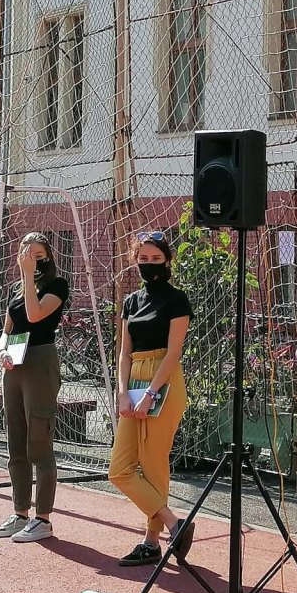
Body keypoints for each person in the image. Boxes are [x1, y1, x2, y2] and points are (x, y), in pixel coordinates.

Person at [107, 231, 195, 566]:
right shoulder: (131, 302)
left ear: (167, 260)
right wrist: (122, 393)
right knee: (119, 469)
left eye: (156, 258)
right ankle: (174, 523)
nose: (149, 264)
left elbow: (173, 353)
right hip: (133, 381)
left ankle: (151, 541)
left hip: (163, 380)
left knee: (154, 462)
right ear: (135, 261)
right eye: (143, 258)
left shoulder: (177, 300)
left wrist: (150, 393)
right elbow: (124, 353)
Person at [0, 232, 69, 543]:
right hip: (15, 365)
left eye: (37, 254)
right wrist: (2, 350)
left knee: (38, 440)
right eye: (26, 253)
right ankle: (20, 512)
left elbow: (35, 316)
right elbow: (7, 330)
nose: (31, 259)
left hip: (40, 361)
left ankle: (43, 518)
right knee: (16, 442)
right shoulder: (15, 289)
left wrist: (28, 274)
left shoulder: (56, 285)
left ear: (47, 256)